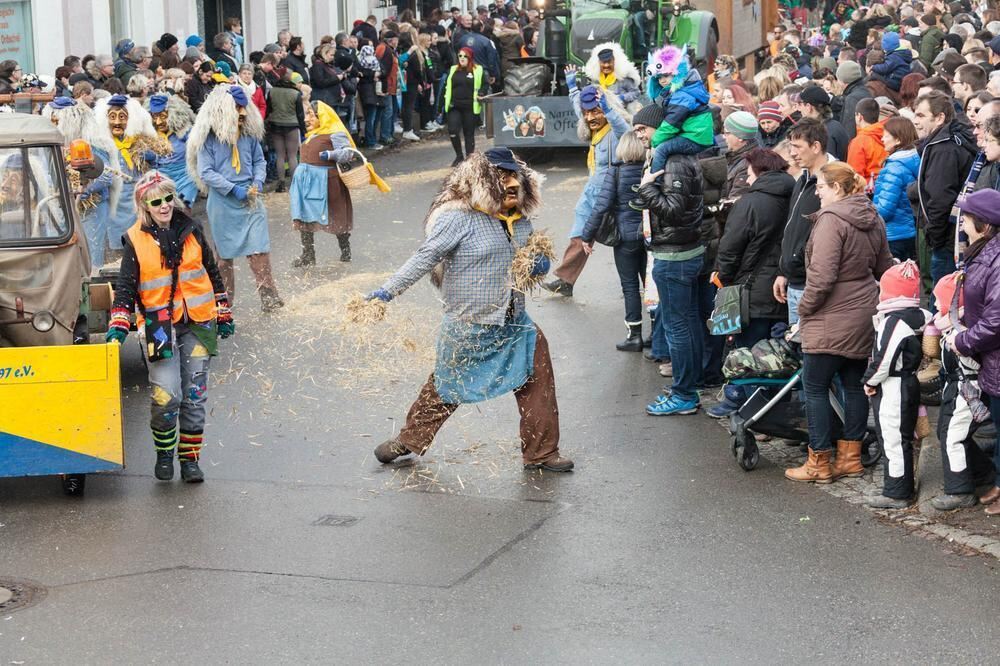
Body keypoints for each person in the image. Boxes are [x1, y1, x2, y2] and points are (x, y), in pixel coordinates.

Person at [367, 148, 573, 473]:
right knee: (447, 386)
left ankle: (542, 452)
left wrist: (540, 264)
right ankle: (408, 440)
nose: (509, 183)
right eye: (501, 177)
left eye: (512, 176)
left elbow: (532, 264)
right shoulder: (458, 218)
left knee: (538, 376)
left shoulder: (520, 222)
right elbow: (426, 256)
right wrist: (387, 291)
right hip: (470, 323)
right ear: (481, 181)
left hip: (513, 322)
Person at [105, 171, 233, 483]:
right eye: (156, 201)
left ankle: (190, 460)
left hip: (199, 323)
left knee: (195, 394)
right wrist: (119, 322)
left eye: (167, 198)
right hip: (159, 326)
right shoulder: (134, 239)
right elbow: (125, 287)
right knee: (167, 394)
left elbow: (211, 270)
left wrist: (223, 309)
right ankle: (164, 453)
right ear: (144, 205)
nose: (164, 205)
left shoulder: (192, 228)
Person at [785, 162, 894, 484]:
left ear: (837, 188)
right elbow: (884, 266)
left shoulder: (832, 221)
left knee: (815, 386)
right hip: (863, 309)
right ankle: (850, 458)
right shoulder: (872, 216)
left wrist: (804, 309)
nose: (816, 192)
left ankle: (819, 461)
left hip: (831, 313)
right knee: (853, 384)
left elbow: (821, 277)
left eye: (821, 186)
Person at [707, 148, 794, 419]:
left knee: (746, 350)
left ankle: (744, 404)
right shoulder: (795, 195)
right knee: (778, 350)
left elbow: (730, 248)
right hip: (783, 287)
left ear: (760, 172)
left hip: (751, 288)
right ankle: (775, 406)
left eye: (748, 172)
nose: (745, 177)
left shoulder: (750, 203)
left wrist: (725, 277)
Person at [188, 85, 283, 312]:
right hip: (223, 202)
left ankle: (269, 297)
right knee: (223, 257)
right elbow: (206, 172)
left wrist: (258, 181)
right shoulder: (208, 139)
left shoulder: (249, 135)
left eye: (243, 109)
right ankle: (224, 302)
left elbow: (259, 161)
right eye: (237, 109)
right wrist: (232, 189)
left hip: (251, 200)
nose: (241, 114)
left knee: (259, 249)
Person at [544, 82, 629, 298]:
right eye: (587, 112)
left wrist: (608, 111)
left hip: (613, 196)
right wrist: (573, 89)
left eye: (596, 111)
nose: (590, 117)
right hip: (591, 193)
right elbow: (578, 109)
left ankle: (647, 287)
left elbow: (627, 132)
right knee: (579, 234)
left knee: (627, 243)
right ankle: (565, 281)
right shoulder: (595, 129)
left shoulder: (614, 130)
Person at [947, 188, 1000, 514]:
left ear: (985, 224)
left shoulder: (995, 257)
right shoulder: (984, 252)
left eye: (966, 219)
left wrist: (962, 341)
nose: (962, 224)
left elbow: (997, 319)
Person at [862, 261, 932, 508]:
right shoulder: (921, 316)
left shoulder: (893, 322)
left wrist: (869, 381)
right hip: (909, 381)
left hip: (894, 385)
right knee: (903, 435)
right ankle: (900, 487)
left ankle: (897, 492)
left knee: (892, 437)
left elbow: (884, 359)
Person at [290, 101, 389, 266]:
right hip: (307, 184)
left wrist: (330, 154)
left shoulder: (334, 133)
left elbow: (348, 154)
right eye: (307, 114)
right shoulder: (312, 134)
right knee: (304, 216)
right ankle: (308, 255)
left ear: (322, 116)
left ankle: (345, 249)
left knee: (337, 215)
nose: (307, 119)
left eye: (311, 115)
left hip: (328, 182)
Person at [930, 272, 996, 510]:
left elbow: (976, 362)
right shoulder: (950, 326)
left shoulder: (962, 330)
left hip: (968, 390)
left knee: (954, 436)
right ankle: (981, 471)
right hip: (955, 389)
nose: (935, 303)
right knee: (944, 432)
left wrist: (958, 346)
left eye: (939, 299)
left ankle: (959, 489)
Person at [579, 131, 648, 351]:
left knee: (630, 287)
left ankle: (634, 336)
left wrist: (587, 236)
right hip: (648, 235)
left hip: (625, 239)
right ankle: (657, 334)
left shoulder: (616, 172)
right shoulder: (650, 168)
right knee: (651, 286)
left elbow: (601, 206)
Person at [913, 90, 978, 298]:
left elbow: (940, 199)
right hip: (952, 237)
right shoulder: (942, 143)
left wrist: (935, 237)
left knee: (942, 300)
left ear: (940, 117)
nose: (915, 121)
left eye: (921, 116)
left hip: (947, 240)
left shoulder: (944, 148)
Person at [47, 97, 118, 270]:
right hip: (59, 207)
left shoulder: (91, 143)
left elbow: (107, 175)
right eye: (52, 121)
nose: (54, 125)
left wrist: (85, 188)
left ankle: (91, 289)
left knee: (89, 255)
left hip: (90, 209)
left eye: (58, 121)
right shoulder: (52, 145)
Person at [774, 118, 830, 325]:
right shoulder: (802, 180)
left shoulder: (834, 183)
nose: (793, 153)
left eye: (797, 147)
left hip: (812, 283)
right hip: (794, 280)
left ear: (816, 147)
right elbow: (792, 228)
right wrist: (783, 270)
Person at [97, 93, 159, 260]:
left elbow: (156, 163)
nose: (117, 122)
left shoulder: (139, 141)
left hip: (136, 198)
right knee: (117, 250)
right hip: (114, 201)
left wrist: (151, 158)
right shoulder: (101, 144)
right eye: (112, 117)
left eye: (122, 117)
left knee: (141, 247)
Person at [645, 45, 715, 173]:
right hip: (694, 134)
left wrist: (653, 141)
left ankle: (654, 181)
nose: (662, 80)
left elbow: (672, 123)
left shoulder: (682, 95)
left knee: (661, 149)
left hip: (695, 137)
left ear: (677, 74)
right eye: (659, 77)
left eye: (666, 75)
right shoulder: (680, 91)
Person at [873, 115, 921, 261]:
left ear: (898, 140)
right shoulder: (916, 160)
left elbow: (885, 209)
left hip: (893, 235)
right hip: (911, 232)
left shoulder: (894, 167)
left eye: (886, 136)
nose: (882, 139)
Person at [146, 93, 198, 211]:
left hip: (185, 178)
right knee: (164, 212)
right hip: (160, 180)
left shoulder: (184, 132)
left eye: (163, 116)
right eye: (155, 117)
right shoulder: (149, 135)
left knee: (183, 211)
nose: (158, 122)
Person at [442, 47, 486, 166]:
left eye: (465, 56)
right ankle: (459, 156)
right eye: (460, 56)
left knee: (469, 134)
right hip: (454, 105)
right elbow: (447, 86)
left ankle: (469, 158)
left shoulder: (478, 70)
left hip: (470, 106)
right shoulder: (453, 69)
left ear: (470, 58)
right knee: (453, 130)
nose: (462, 58)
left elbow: (484, 84)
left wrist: (482, 93)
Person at [266, 68, 307, 193]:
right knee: (292, 156)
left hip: (275, 124)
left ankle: (281, 182)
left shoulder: (272, 91)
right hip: (292, 125)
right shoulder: (295, 93)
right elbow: (300, 114)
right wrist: (303, 129)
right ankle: (294, 184)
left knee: (280, 155)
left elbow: (269, 109)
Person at [583, 43, 642, 111]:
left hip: (622, 114)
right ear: (598, 63)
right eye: (603, 62)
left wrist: (622, 97)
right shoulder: (595, 80)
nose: (606, 65)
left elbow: (636, 92)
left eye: (609, 62)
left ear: (614, 61)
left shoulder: (624, 78)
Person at [797, 85, 850, 159]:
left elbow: (826, 164)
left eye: (800, 104)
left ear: (808, 107)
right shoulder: (834, 125)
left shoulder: (824, 132)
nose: (798, 109)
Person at [846, 98, 888, 185]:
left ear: (859, 117)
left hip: (868, 190)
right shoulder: (888, 135)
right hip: (886, 185)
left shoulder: (858, 142)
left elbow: (855, 176)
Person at [357, 43, 391, 149]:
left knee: (376, 117)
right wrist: (373, 74)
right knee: (371, 118)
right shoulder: (360, 64)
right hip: (369, 93)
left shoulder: (376, 61)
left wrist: (378, 74)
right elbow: (362, 74)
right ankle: (370, 141)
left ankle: (373, 140)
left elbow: (384, 71)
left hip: (378, 91)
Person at [837, 59, 873, 138]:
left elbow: (849, 131)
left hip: (857, 146)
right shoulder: (865, 90)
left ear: (843, 80)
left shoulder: (852, 99)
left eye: (838, 79)